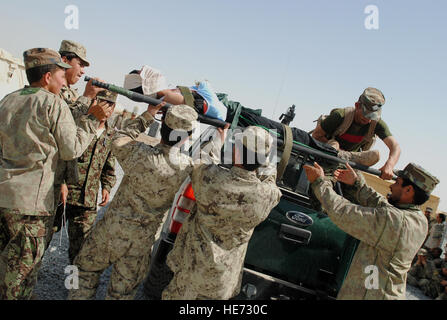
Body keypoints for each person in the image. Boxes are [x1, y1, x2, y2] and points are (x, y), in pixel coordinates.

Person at [68, 103, 224, 300]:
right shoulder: (187, 168)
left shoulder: (137, 152)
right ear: (186, 138)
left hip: (110, 231)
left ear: (163, 128)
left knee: (80, 269)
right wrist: (218, 140)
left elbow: (118, 137)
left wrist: (148, 115)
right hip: (141, 243)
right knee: (123, 293)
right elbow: (208, 168)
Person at [0, 48, 110, 300]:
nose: (64, 79)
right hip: (31, 207)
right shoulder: (53, 103)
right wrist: (92, 121)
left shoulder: (9, 99)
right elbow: (71, 149)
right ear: (47, 77)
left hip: (4, 196)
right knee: (21, 274)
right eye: (61, 74)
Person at [162, 126, 282, 300]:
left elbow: (202, 159)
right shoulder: (267, 196)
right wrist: (265, 156)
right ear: (263, 160)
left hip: (190, 274)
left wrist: (219, 139)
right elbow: (271, 177)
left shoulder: (211, 179)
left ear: (237, 152)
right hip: (221, 284)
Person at [303, 161, 439, 299]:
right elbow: (382, 205)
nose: (391, 186)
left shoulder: (394, 221)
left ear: (408, 190)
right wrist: (357, 184)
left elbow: (343, 212)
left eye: (397, 183)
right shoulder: (419, 220)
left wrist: (320, 182)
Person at [49, 90, 118, 264]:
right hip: (63, 195)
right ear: (94, 103)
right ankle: (26, 282)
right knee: (43, 237)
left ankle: (73, 287)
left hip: (87, 201)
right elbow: (62, 155)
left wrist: (107, 187)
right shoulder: (79, 124)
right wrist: (62, 182)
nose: (105, 108)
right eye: (101, 102)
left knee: (80, 248)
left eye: (109, 105)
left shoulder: (110, 136)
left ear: (114, 108)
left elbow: (109, 166)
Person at [311, 88, 401, 180]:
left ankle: (344, 157)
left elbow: (395, 147)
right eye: (366, 114)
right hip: (328, 156)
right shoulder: (340, 115)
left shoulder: (376, 124)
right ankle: (338, 154)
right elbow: (316, 135)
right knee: (334, 145)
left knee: (375, 155)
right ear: (357, 105)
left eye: (372, 116)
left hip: (351, 164)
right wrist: (335, 149)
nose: (368, 119)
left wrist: (389, 165)